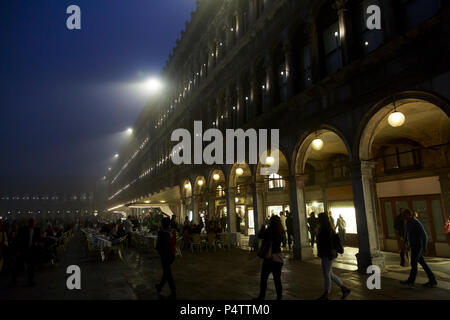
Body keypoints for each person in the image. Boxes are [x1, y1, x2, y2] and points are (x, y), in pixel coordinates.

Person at [317, 212, 351, 300]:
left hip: (327, 254)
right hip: (325, 253)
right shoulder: (325, 227)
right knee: (329, 273)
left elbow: (329, 242)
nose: (318, 219)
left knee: (327, 274)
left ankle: (326, 294)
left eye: (319, 218)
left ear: (322, 219)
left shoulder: (326, 228)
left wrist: (331, 253)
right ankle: (344, 288)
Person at [400, 209, 437, 288]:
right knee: (423, 263)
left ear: (409, 215)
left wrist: (424, 247)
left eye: (405, 215)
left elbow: (424, 236)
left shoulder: (416, 222)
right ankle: (432, 280)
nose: (404, 217)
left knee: (414, 263)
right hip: (413, 246)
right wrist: (405, 243)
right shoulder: (407, 223)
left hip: (418, 246)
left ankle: (411, 281)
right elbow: (407, 234)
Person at [254, 215, 285, 301]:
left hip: (269, 258)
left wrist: (262, 228)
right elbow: (282, 241)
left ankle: (262, 296)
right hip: (278, 257)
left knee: (264, 279)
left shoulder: (269, 230)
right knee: (277, 280)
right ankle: (279, 297)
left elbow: (260, 235)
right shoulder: (281, 231)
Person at [13, 218, 41, 286]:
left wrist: (37, 243)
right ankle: (14, 280)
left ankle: (30, 280)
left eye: (34, 223)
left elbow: (38, 239)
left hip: (32, 251)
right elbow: (18, 240)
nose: (33, 224)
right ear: (29, 223)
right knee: (18, 265)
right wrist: (18, 250)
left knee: (31, 267)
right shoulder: (23, 229)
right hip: (23, 250)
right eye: (31, 222)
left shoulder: (37, 230)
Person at [155, 217, 176, 299]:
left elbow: (158, 246)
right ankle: (159, 286)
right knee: (166, 272)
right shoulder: (172, 232)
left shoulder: (161, 233)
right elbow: (174, 243)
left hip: (164, 256)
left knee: (168, 273)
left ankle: (173, 290)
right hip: (171, 255)